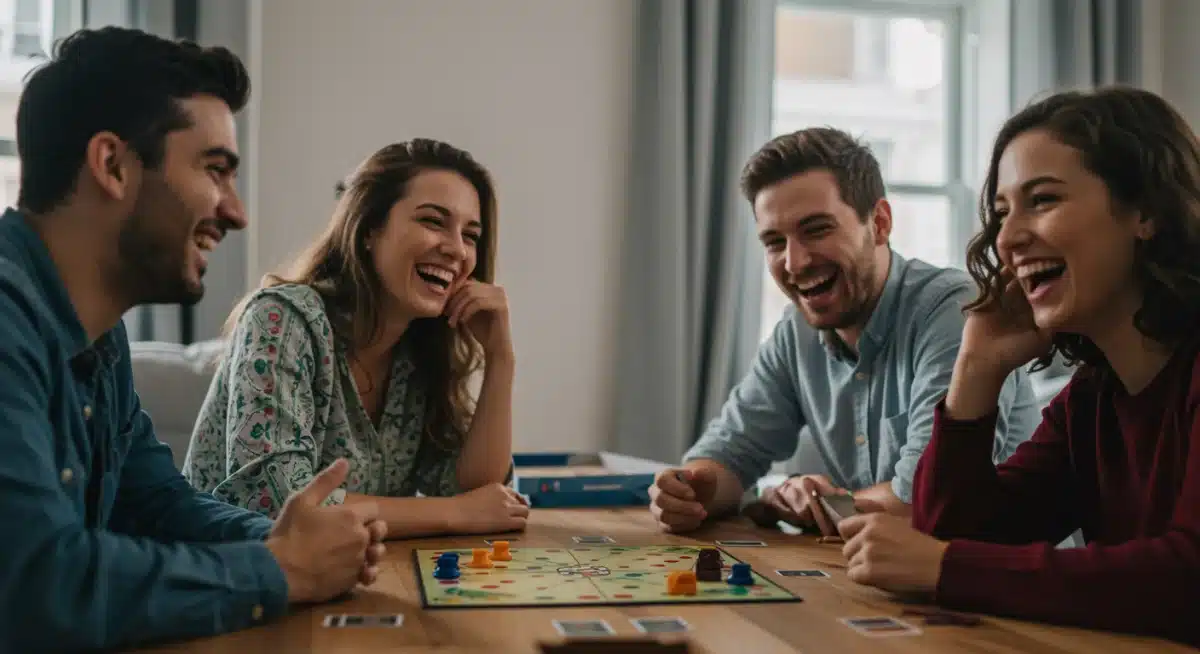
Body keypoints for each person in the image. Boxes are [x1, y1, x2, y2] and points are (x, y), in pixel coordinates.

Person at [0, 26, 387, 653]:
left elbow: (156, 505)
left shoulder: (97, 338)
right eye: (215, 171)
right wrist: (282, 569)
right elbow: (39, 585)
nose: (237, 212)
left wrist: (286, 541)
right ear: (113, 165)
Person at [835, 87, 1200, 646]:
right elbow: (961, 532)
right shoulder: (1091, 397)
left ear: (1145, 211)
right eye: (1002, 212)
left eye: (1044, 200)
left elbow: (1185, 577)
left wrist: (946, 566)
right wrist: (976, 369)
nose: (1006, 239)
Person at [648, 127, 1040, 535]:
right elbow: (729, 453)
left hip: (1002, 584)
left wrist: (813, 503)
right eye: (774, 241)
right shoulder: (795, 333)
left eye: (816, 230)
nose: (795, 263)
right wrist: (689, 491)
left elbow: (923, 501)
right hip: (887, 579)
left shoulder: (954, 312)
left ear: (881, 224)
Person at [182, 139, 527, 539]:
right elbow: (279, 503)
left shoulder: (418, 352)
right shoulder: (281, 317)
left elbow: (478, 494)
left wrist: (501, 358)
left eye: (471, 235)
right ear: (368, 230)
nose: (456, 249)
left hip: (330, 582)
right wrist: (454, 513)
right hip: (222, 578)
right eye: (433, 221)